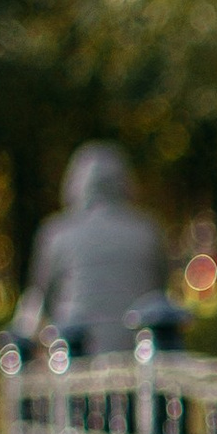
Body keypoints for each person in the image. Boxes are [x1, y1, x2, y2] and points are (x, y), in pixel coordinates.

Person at [12, 146, 168, 358]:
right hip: (138, 360)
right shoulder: (148, 231)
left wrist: (20, 343)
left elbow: (38, 301)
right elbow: (159, 295)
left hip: (75, 360)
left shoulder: (56, 234)